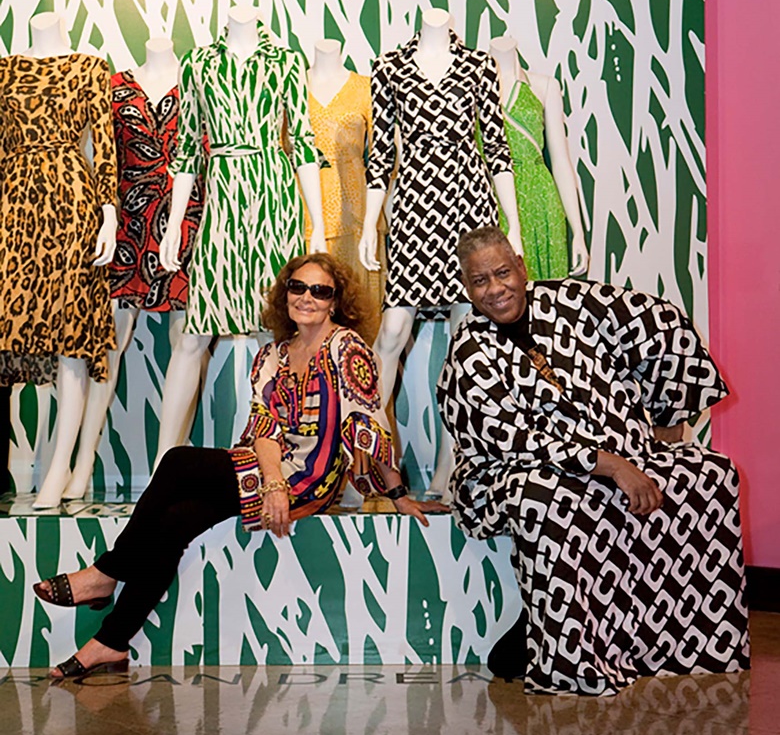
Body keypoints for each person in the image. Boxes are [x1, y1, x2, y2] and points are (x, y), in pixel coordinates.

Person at [33, 253, 443, 680]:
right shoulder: (272, 354)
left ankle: (106, 573)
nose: (307, 297)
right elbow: (263, 427)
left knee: (177, 462)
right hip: (268, 469)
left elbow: (369, 421)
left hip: (311, 479)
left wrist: (398, 495)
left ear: (335, 303)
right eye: (298, 287)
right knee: (175, 521)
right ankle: (112, 641)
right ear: (285, 294)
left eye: (320, 291)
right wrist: (272, 482)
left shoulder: (347, 347)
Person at [436, 225, 750, 696]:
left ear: (521, 267)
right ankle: (563, 648)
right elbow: (515, 440)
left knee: (709, 475)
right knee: (550, 496)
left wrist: (671, 413)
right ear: (466, 287)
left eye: (502, 273)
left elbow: (660, 320)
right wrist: (611, 465)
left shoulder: (570, 301)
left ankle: (678, 645)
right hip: (506, 472)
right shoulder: (468, 350)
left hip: (615, 451)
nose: (495, 289)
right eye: (480, 281)